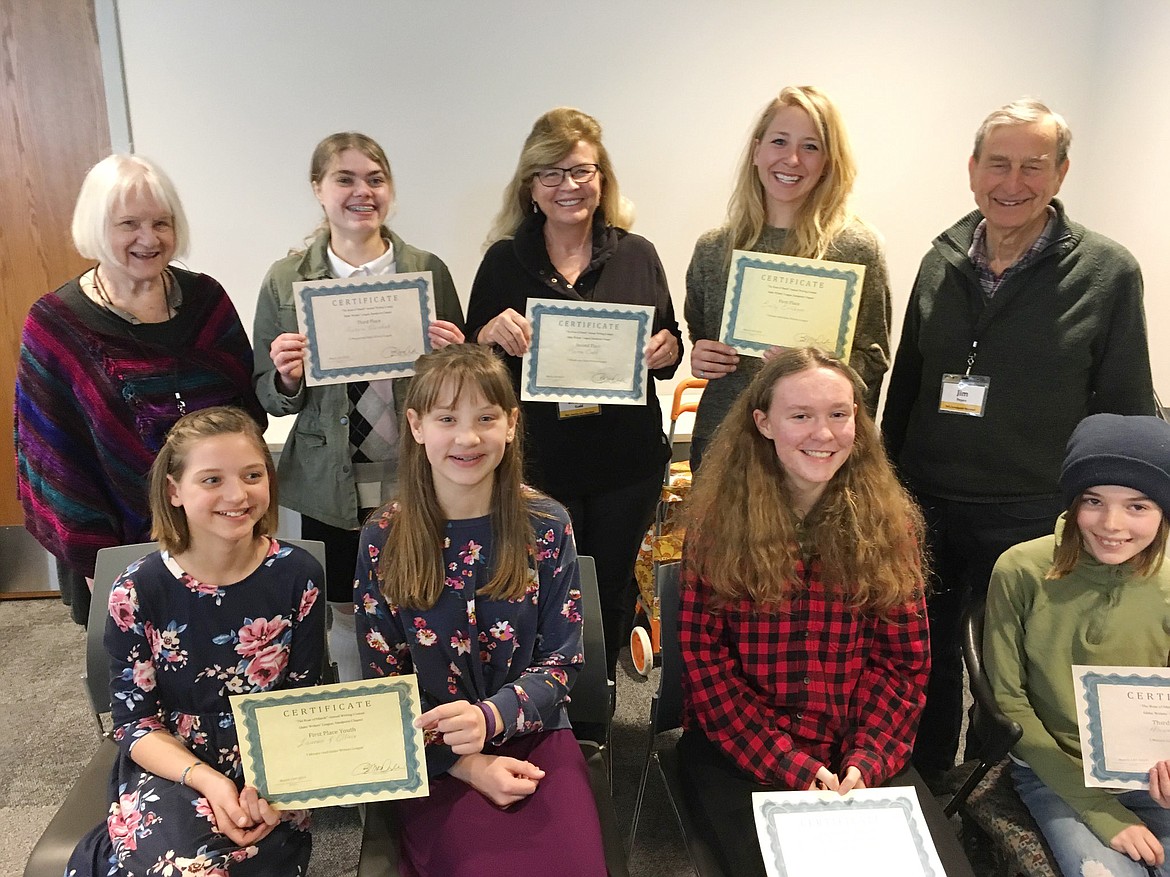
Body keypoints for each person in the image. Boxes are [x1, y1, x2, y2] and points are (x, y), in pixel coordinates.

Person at [881, 98, 1156, 781]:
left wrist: (1125, 514)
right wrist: (884, 478)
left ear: (1061, 173)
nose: (1013, 182)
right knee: (924, 650)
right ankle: (928, 775)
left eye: (1033, 166)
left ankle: (997, 789)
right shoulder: (940, 258)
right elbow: (908, 380)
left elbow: (1124, 404)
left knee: (1015, 661)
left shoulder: (1107, 273)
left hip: (1034, 510)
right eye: (997, 164)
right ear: (972, 170)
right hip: (926, 500)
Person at [354, 344, 606, 877]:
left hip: (533, 731)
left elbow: (562, 662)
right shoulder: (384, 536)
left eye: (485, 419)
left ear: (511, 425)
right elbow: (385, 680)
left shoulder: (546, 522)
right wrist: (466, 763)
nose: (466, 439)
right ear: (417, 426)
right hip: (431, 750)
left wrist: (491, 717)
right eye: (447, 419)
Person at [676, 346, 929, 877]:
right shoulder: (717, 524)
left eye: (840, 414)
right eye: (801, 416)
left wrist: (867, 757)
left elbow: (903, 666)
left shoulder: (890, 524)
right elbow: (705, 666)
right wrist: (790, 763)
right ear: (763, 422)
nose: (825, 434)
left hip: (857, 749)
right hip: (747, 748)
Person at [465, 107, 682, 678]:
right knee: (536, 593)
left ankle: (598, 709)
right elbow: (472, 360)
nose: (569, 186)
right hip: (538, 462)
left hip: (624, 462)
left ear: (602, 179)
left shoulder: (637, 254)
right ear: (530, 187)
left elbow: (669, 340)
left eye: (582, 171)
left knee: (610, 588)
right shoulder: (503, 262)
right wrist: (487, 336)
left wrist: (667, 350)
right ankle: (543, 709)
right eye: (552, 173)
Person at [67, 406, 326, 876]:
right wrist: (208, 781)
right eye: (211, 480)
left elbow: (301, 702)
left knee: (252, 855)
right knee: (187, 868)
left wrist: (268, 787)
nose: (237, 494)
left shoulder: (299, 575)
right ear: (174, 490)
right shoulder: (138, 588)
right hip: (174, 762)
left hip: (270, 764)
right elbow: (134, 723)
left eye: (252, 475)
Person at [14, 154, 264, 625]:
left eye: (161, 223)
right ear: (96, 227)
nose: (148, 239)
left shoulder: (207, 300)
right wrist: (95, 560)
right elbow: (52, 458)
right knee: (140, 681)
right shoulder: (56, 325)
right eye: (128, 224)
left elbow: (245, 414)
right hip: (118, 542)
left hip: (222, 531)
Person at [253, 132, 465, 682]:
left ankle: (432, 716)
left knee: (425, 594)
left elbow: (463, 382)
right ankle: (365, 717)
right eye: (344, 179)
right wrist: (285, 375)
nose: (361, 192)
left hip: (417, 472)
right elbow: (267, 395)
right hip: (330, 483)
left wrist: (451, 356)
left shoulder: (426, 269)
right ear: (318, 190)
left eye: (375, 179)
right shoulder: (286, 278)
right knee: (347, 608)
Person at [985, 413, 1170, 876]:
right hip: (1054, 772)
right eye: (1093, 500)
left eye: (1138, 506)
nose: (1111, 524)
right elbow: (1010, 700)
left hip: (1151, 774)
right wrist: (1100, 811)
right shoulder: (1019, 569)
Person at [685, 85, 891, 470]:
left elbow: (873, 363)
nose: (792, 159)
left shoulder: (857, 248)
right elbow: (702, 336)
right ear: (757, 151)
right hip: (723, 446)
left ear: (829, 161)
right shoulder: (713, 249)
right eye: (780, 141)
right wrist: (702, 356)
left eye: (811, 146)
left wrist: (818, 369)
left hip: (816, 453)